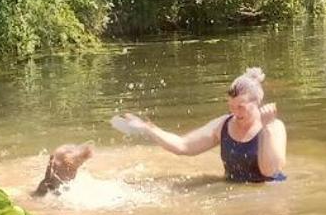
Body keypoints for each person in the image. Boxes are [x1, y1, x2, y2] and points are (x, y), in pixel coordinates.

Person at [119, 67, 286, 183]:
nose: (235, 112)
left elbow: (269, 171)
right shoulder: (223, 125)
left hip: (267, 194)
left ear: (257, 102)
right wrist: (148, 128)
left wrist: (266, 129)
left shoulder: (274, 127)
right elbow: (183, 146)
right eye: (231, 107)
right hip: (235, 193)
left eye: (240, 107)